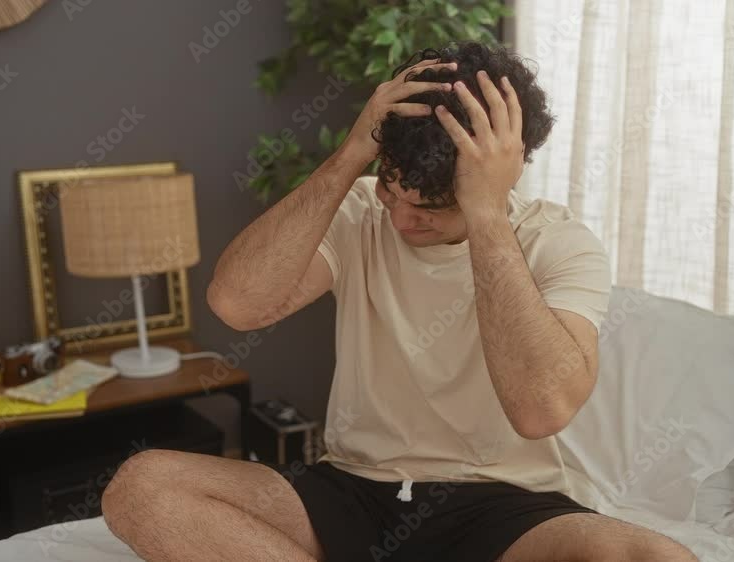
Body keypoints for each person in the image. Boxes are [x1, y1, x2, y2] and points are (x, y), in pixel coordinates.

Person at [101, 41, 698, 562]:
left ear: (500, 177)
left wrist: (487, 212)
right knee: (141, 486)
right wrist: (353, 156)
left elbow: (540, 410)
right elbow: (238, 305)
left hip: (501, 509)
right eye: (391, 186)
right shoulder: (361, 208)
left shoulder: (558, 243)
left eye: (431, 207)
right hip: (351, 489)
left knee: (657, 556)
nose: (402, 216)